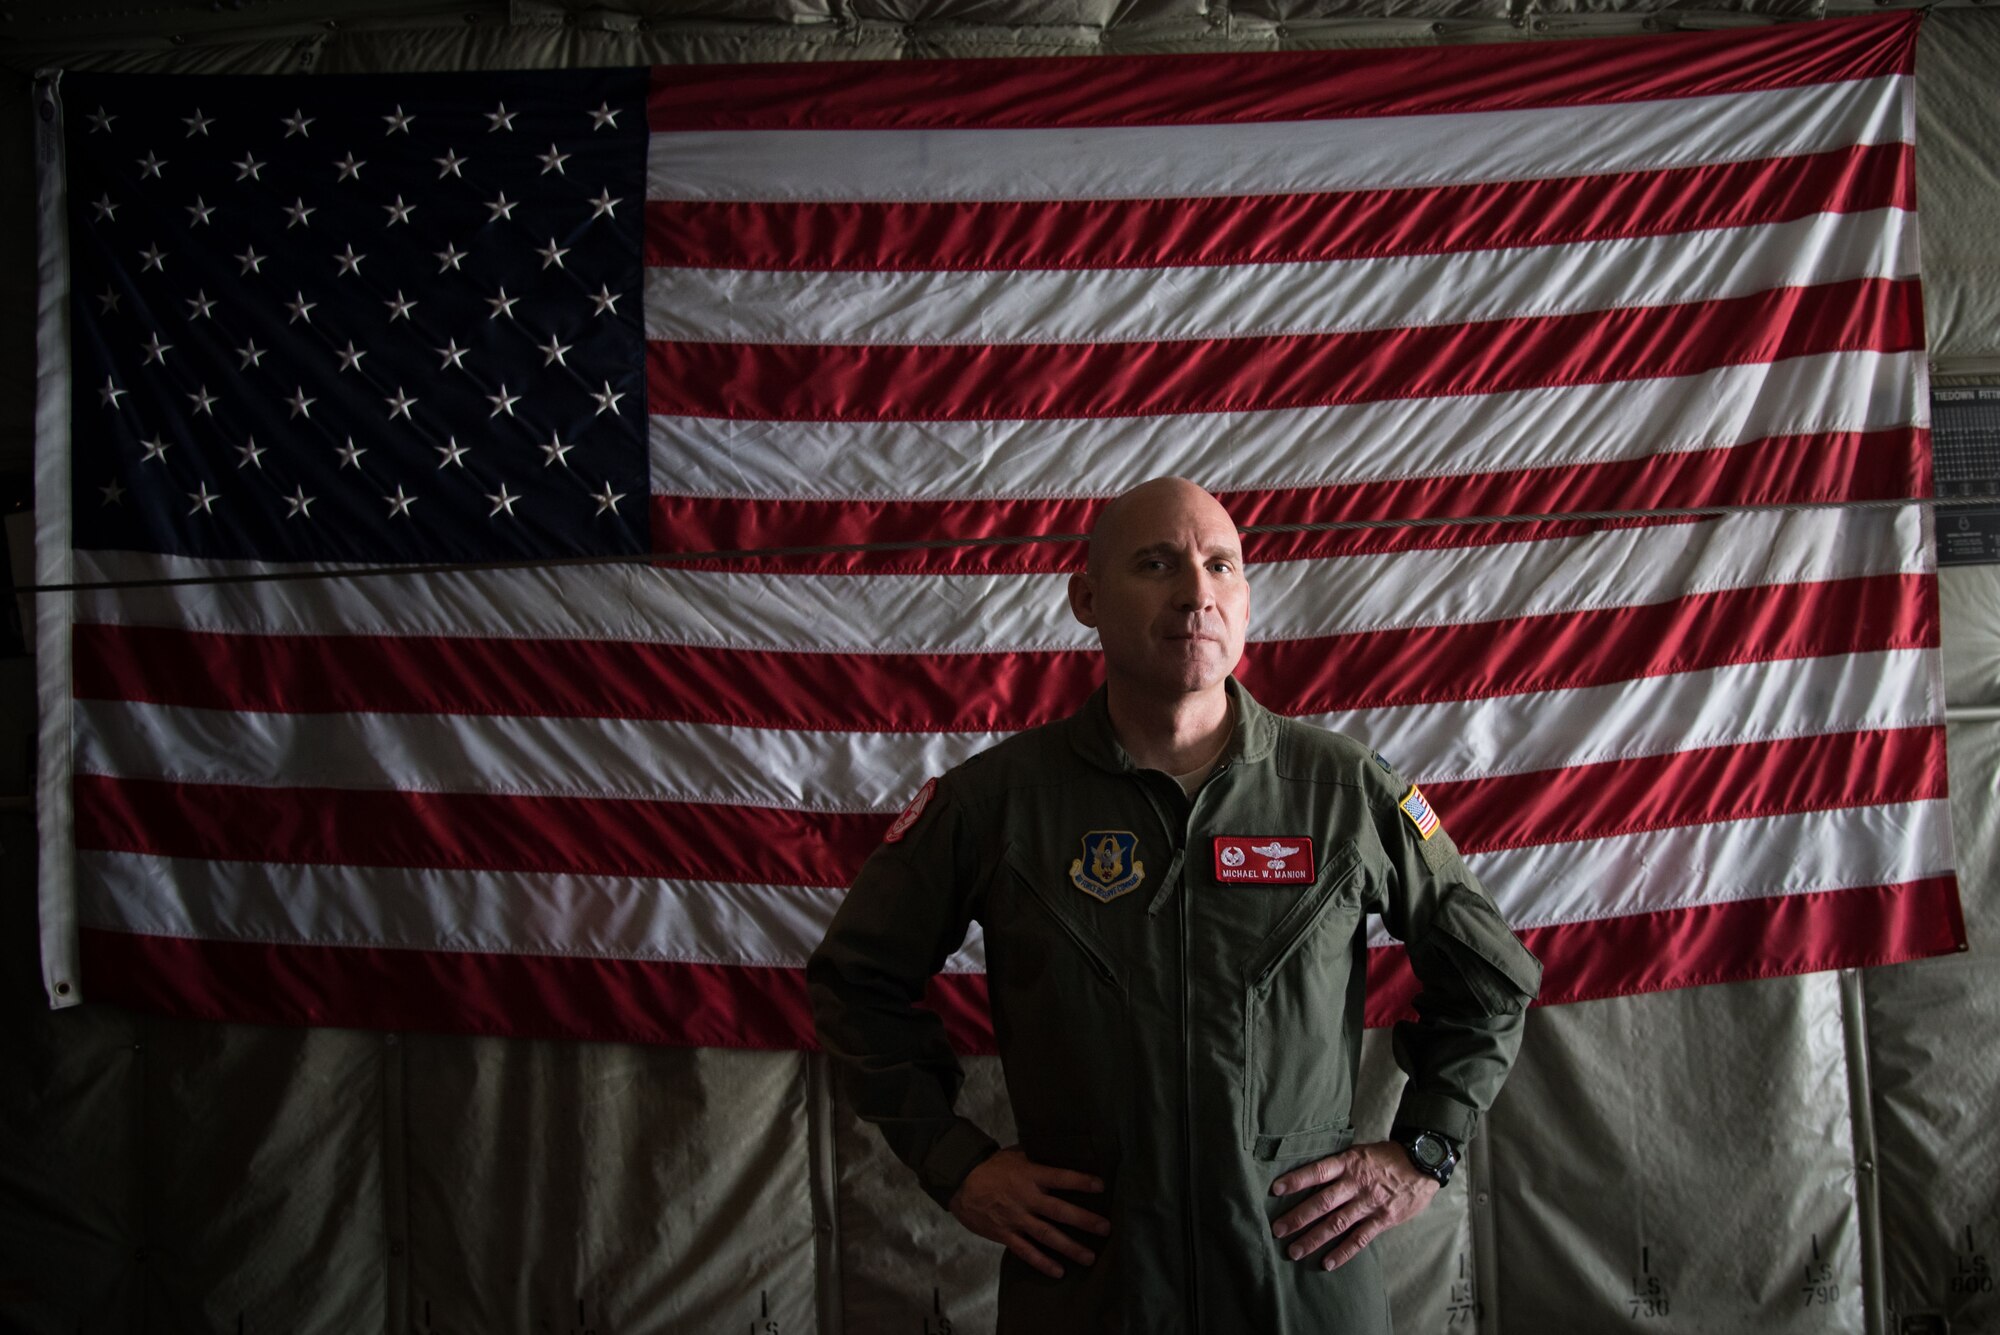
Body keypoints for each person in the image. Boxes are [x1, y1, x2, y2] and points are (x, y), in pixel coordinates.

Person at [808, 477, 1542, 1333]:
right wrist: (955, 1162)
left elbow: (1493, 981)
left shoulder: (1343, 793)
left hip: (1299, 1286)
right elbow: (855, 981)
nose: (1196, 593)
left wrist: (1422, 1151)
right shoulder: (999, 805)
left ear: (1245, 597)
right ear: (1086, 598)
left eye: (1219, 565)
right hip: (1092, 1293)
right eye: (1156, 564)